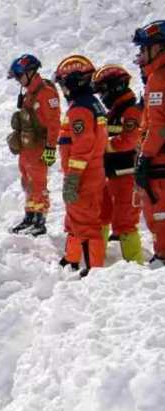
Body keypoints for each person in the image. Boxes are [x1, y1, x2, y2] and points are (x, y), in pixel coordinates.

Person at [53, 55, 108, 277]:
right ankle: (72, 258)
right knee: (75, 218)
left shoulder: (80, 109)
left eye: (64, 85)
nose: (63, 90)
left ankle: (94, 270)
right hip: (91, 171)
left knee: (85, 222)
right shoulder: (92, 103)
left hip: (84, 174)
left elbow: (83, 145)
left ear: (75, 82)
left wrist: (73, 177)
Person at [91, 64, 145, 264]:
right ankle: (96, 260)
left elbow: (129, 140)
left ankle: (135, 266)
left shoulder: (131, 110)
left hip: (126, 176)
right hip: (109, 174)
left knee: (125, 222)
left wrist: (102, 145)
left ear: (115, 86)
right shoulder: (113, 111)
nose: (101, 95)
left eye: (102, 90)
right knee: (100, 216)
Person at [6, 53, 62, 236]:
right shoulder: (30, 92)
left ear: (30, 72)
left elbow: (54, 123)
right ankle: (29, 216)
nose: (18, 81)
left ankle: (40, 220)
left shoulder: (46, 93)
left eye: (19, 77)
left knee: (38, 183)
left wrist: (51, 148)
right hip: (27, 147)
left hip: (39, 146)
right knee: (27, 181)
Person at [132, 20, 165, 265]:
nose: (141, 55)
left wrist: (145, 157)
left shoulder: (158, 79)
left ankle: (163, 256)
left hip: (160, 159)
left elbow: (159, 126)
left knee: (159, 212)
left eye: (145, 49)